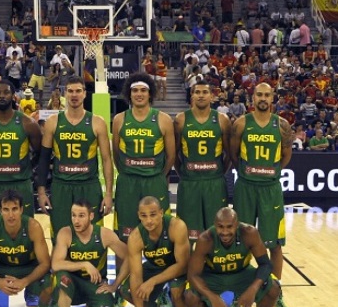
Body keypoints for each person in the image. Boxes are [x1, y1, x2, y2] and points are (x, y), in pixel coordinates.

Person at [230, 82, 293, 307]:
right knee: (241, 240)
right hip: (245, 187)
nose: (263, 98)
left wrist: (268, 174)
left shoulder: (282, 125)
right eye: (259, 94)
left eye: (267, 94)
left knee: (274, 244)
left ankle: (276, 291)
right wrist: (250, 173)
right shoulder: (241, 123)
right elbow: (234, 155)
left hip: (270, 189)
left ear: (273, 97)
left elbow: (286, 157)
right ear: (252, 97)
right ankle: (239, 289)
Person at [185, 207, 281, 307]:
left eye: (229, 227)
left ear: (237, 224)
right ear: (214, 225)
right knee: (189, 296)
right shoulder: (205, 239)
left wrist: (253, 289)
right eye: (220, 227)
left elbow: (265, 264)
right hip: (214, 275)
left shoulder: (249, 233)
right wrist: (213, 297)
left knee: (274, 287)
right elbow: (193, 275)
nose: (224, 232)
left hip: (242, 273)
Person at [36, 75, 114, 238]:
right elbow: (43, 159)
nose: (74, 95)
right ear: (65, 95)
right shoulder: (53, 121)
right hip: (61, 186)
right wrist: (42, 192)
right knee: (60, 236)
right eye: (70, 91)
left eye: (78, 91)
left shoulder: (97, 122)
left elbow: (106, 159)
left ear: (85, 94)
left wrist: (108, 194)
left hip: (89, 185)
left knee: (93, 237)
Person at [51, 199, 129, 307]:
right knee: (62, 277)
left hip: (95, 283)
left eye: (81, 215)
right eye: (73, 215)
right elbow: (55, 264)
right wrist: (85, 264)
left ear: (91, 216)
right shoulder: (66, 233)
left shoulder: (104, 235)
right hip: (72, 283)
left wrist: (115, 285)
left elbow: (129, 257)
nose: (76, 220)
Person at [112, 72, 175, 241]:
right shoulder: (119, 119)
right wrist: (127, 170)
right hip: (128, 181)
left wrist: (160, 175)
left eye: (143, 90)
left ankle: (159, 267)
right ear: (129, 94)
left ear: (150, 94)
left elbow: (171, 156)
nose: (139, 94)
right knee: (125, 235)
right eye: (135, 91)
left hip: (154, 180)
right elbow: (116, 154)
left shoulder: (163, 119)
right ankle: (125, 269)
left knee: (160, 234)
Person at [0, 80, 42, 228]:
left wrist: (26, 167)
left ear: (13, 96)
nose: (2, 96)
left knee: (25, 233)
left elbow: (39, 152)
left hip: (20, 184)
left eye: (6, 92)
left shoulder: (28, 123)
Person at [123, 196, 190, 307]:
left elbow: (182, 265)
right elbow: (135, 276)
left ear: (161, 212)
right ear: (138, 216)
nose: (148, 220)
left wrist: (152, 281)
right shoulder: (135, 237)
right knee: (126, 290)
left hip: (177, 267)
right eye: (144, 216)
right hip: (155, 267)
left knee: (175, 291)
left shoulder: (176, 226)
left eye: (153, 214)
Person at [174, 81, 231, 243]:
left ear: (212, 96)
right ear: (192, 95)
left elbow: (229, 154)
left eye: (205, 92)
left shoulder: (222, 119)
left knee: (217, 232)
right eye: (197, 92)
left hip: (214, 183)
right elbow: (174, 154)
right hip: (189, 183)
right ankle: (189, 268)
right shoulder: (181, 119)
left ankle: (213, 267)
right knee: (187, 235)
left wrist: (219, 173)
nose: (200, 95)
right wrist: (183, 174)